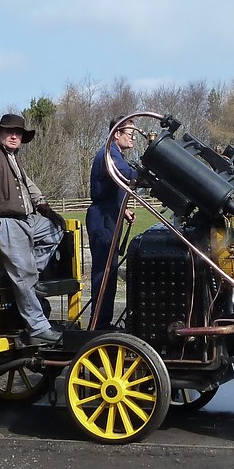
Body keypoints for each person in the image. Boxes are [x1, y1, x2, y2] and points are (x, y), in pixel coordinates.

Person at [0, 113, 67, 345]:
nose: (14, 136)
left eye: (18, 133)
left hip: (26, 220)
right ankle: (38, 328)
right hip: (7, 222)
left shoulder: (13, 158)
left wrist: (45, 208)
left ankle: (29, 277)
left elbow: (28, 185)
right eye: (9, 132)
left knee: (56, 230)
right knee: (24, 274)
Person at [86, 117, 138, 329]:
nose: (133, 138)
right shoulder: (109, 155)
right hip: (103, 219)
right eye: (130, 134)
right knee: (105, 272)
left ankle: (102, 322)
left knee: (110, 272)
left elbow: (109, 188)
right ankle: (99, 325)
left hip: (109, 215)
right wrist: (147, 172)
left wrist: (122, 210)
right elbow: (126, 174)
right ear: (117, 134)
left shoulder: (114, 154)